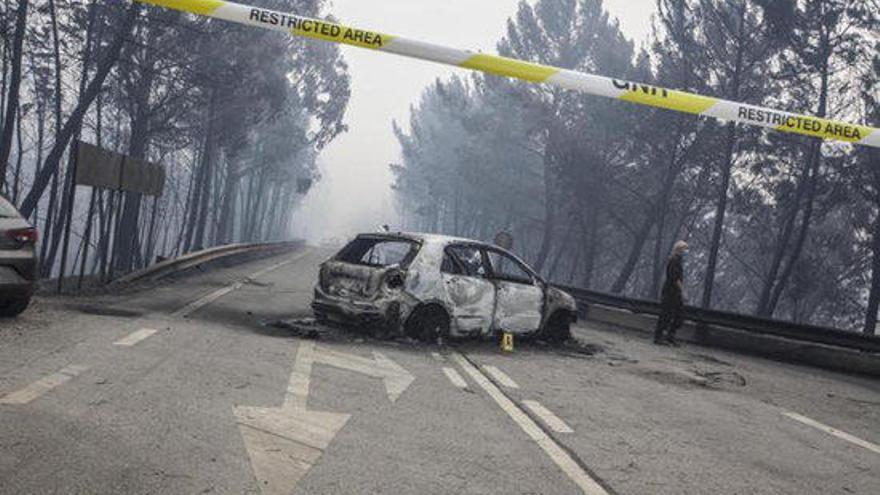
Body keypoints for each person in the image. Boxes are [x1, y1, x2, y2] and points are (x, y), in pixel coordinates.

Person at [654, 240, 688, 346]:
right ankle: (659, 337)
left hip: (675, 292)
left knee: (679, 315)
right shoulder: (673, 261)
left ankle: (670, 336)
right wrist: (683, 291)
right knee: (666, 314)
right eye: (684, 249)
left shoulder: (679, 261)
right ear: (678, 249)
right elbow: (675, 278)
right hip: (670, 291)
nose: (686, 251)